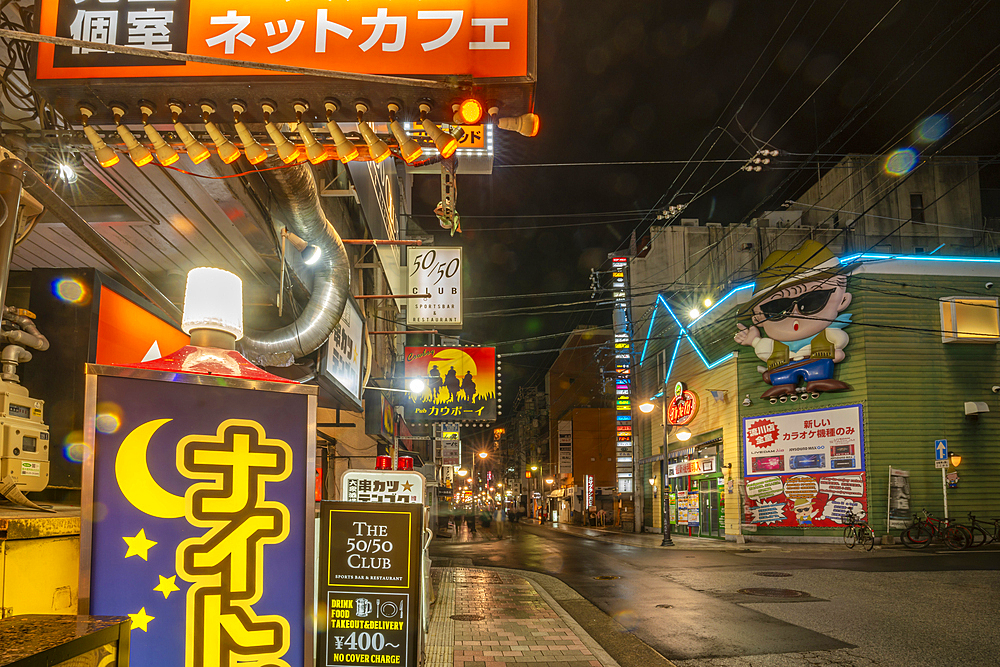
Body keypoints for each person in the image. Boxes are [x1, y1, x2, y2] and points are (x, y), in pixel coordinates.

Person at [734, 240, 857, 399]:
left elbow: (839, 343)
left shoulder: (829, 333)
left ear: (843, 300)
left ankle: (818, 381)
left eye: (813, 301)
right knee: (782, 374)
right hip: (784, 367)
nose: (795, 314)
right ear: (758, 318)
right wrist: (754, 341)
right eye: (777, 309)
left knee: (820, 366)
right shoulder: (775, 344)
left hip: (817, 363)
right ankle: (784, 386)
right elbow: (765, 350)